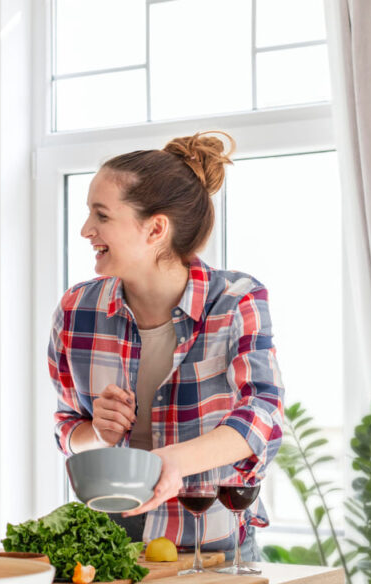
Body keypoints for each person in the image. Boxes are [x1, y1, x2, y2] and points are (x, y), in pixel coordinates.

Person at [48, 131, 284, 558]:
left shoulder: (235, 302)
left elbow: (262, 417)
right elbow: (68, 429)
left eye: (101, 215)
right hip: (111, 544)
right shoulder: (76, 310)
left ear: (155, 228)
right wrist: (97, 432)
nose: (86, 230)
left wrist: (172, 463)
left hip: (213, 545)